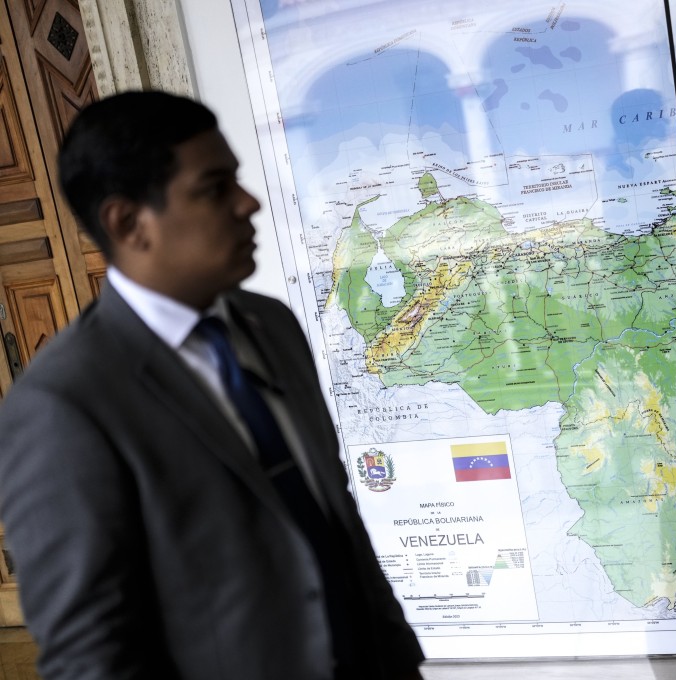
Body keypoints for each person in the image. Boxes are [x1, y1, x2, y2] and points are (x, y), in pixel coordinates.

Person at [0, 91, 424, 680]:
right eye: (215, 188)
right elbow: (89, 652)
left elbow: (334, 513)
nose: (248, 203)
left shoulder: (273, 325)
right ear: (128, 223)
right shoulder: (64, 403)